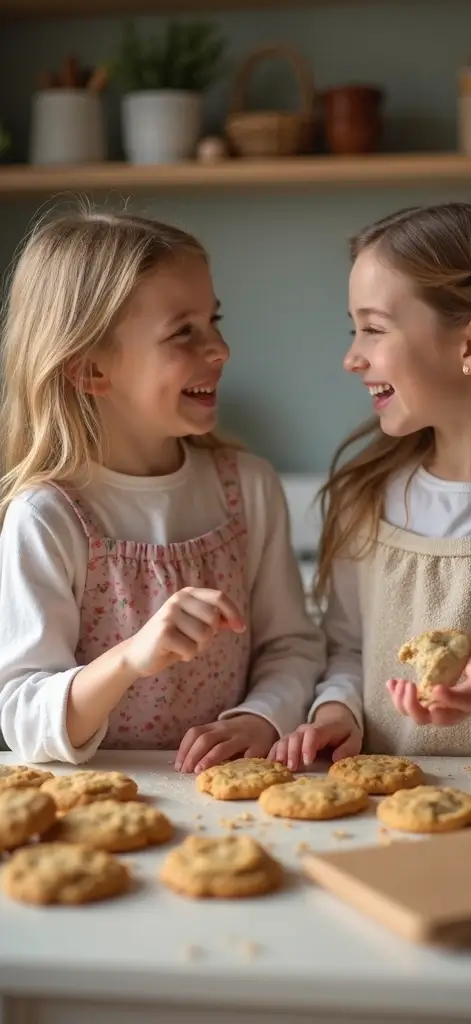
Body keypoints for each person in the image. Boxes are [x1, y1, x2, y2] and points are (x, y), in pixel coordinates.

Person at [0, 209, 324, 772]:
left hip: (235, 801)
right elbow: (24, 713)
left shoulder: (249, 487)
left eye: (214, 320)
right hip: (99, 810)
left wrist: (261, 717)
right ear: (90, 370)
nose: (220, 349)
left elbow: (290, 647)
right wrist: (130, 658)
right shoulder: (47, 518)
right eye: (184, 332)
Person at [271, 198, 471, 769]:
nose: (351, 358)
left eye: (373, 329)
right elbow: (349, 651)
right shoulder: (368, 496)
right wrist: (338, 713)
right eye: (354, 329)